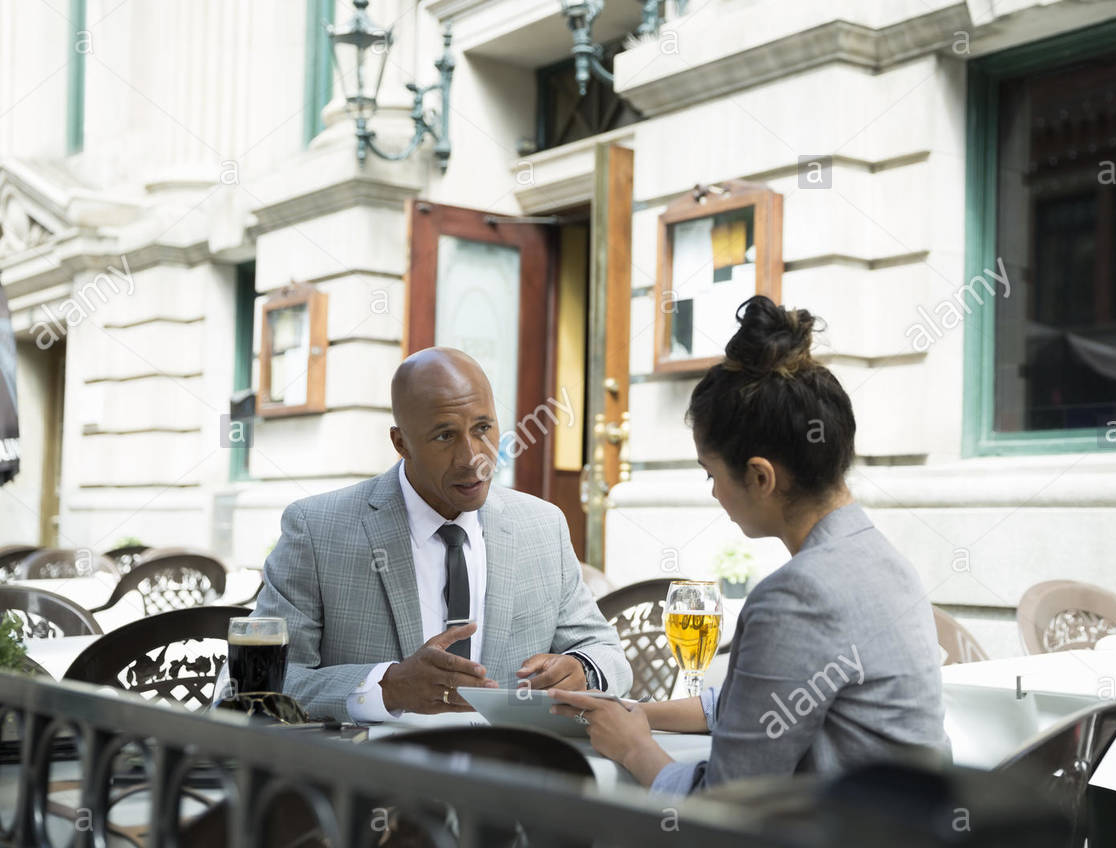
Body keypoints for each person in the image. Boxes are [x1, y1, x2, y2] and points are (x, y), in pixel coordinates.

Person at [551, 296, 948, 793]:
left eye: (711, 473)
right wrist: (636, 715)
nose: (714, 492)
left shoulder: (800, 596)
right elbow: (763, 707)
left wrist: (634, 747)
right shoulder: (881, 562)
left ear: (760, 476)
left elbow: (723, 808)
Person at [255, 348, 632, 722]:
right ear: (401, 443)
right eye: (444, 436)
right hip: (377, 775)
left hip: (513, 770)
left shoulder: (543, 526)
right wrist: (385, 687)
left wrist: (582, 668)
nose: (472, 458)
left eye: (483, 429)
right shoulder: (317, 530)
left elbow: (607, 654)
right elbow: (257, 687)